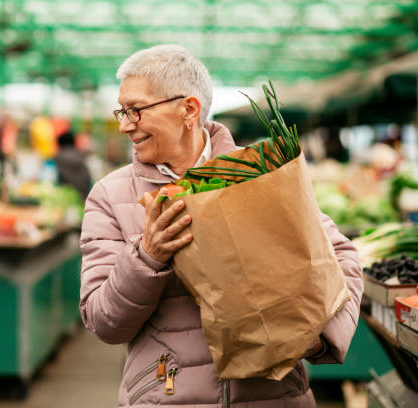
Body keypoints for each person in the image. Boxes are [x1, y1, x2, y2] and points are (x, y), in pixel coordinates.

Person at [79, 44, 363, 407]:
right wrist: (147, 257)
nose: (124, 125)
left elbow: (342, 257)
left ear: (188, 109)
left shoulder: (260, 174)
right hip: (167, 395)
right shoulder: (110, 196)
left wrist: (323, 336)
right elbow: (104, 322)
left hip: (273, 397)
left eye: (136, 111)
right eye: (122, 111)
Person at [54, 130, 92, 199]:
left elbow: (54, 180)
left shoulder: (58, 157)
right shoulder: (81, 156)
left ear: (59, 144)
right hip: (85, 196)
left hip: (67, 197)